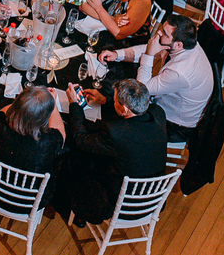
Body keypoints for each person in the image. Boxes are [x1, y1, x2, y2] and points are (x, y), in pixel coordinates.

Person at [60, 79, 167, 225]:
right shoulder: (158, 114)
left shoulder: (116, 133)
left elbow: (80, 139)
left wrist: (74, 104)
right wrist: (105, 101)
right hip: (153, 197)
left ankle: (69, 206)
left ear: (124, 109)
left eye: (115, 100)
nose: (114, 101)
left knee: (74, 157)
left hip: (121, 203)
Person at [101, 16, 214, 140]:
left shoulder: (180, 72)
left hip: (174, 125)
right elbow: (151, 48)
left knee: (116, 114)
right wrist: (117, 55)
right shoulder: (182, 44)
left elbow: (140, 93)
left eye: (164, 33)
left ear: (178, 44)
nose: (159, 33)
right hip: (162, 100)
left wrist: (149, 54)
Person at [0, 86, 65, 186]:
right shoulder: (46, 143)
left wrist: (26, 101)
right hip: (30, 193)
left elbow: (5, 111)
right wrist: (52, 103)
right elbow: (61, 133)